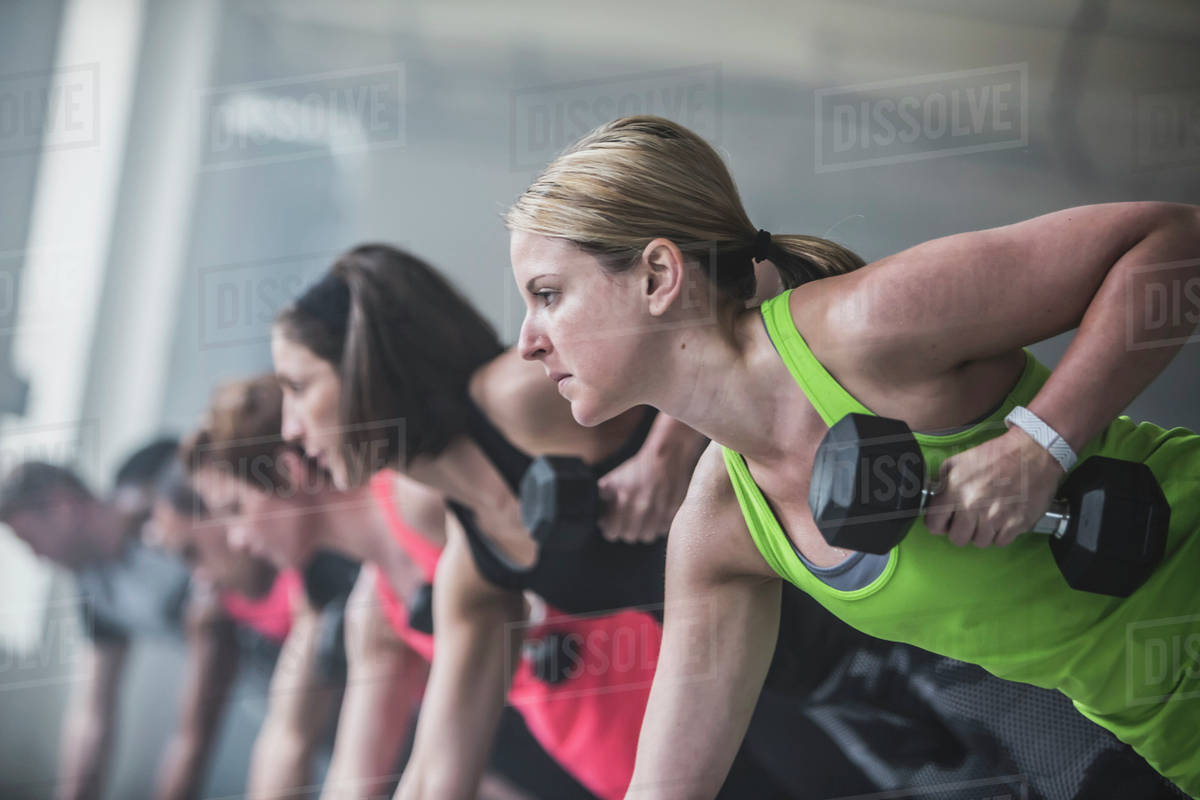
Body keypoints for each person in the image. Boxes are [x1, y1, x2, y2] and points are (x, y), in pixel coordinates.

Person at [505, 114, 1200, 797]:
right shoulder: (722, 529)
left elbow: (1173, 240)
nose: (527, 342)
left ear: (657, 275)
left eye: (547, 295)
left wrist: (1039, 446)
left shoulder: (860, 329)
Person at [271, 247, 856, 799]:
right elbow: (433, 782)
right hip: (815, 700)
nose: (291, 429)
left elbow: (745, 271)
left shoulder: (516, 397)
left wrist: (670, 444)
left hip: (876, 589)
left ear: (365, 364)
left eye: (299, 388)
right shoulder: (474, 571)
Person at [182, 373, 594, 800]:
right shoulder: (376, 607)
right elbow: (358, 777)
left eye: (235, 508)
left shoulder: (419, 496)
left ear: (288, 472)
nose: (236, 538)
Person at [0, 440, 235, 800]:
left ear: (62, 507)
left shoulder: (148, 468)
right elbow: (92, 715)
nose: (36, 556)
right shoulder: (97, 596)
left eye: (30, 539)